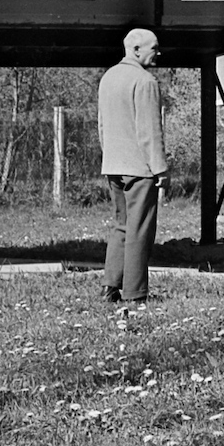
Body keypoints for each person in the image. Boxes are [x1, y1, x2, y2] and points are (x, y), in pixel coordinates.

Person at [97, 28, 169, 306]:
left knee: (121, 226)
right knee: (140, 230)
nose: (158, 53)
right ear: (137, 50)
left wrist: (110, 156)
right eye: (154, 47)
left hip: (113, 164)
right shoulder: (145, 81)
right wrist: (160, 168)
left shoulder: (108, 77)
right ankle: (135, 293)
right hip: (140, 168)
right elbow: (149, 130)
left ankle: (110, 287)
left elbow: (102, 125)